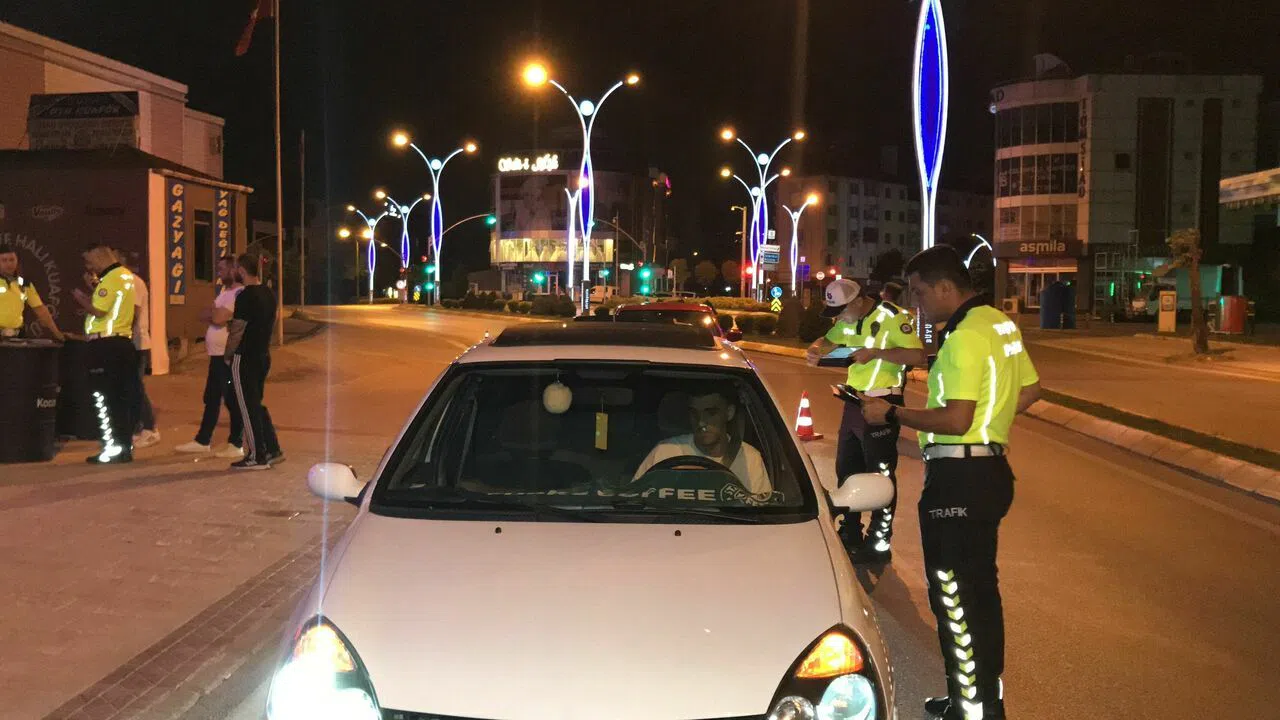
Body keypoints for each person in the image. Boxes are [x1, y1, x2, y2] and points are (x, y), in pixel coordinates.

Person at [861, 246, 1041, 720]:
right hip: (989, 471)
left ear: (944, 286)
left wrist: (892, 414)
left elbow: (956, 419)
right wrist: (991, 426)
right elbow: (1031, 389)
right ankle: (981, 697)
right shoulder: (999, 324)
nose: (916, 304)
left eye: (919, 292)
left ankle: (971, 706)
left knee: (954, 594)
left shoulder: (963, 337)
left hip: (959, 477)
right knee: (980, 593)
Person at [805, 278, 925, 564]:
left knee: (880, 476)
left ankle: (878, 541)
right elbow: (828, 340)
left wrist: (877, 353)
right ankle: (850, 533)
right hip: (853, 402)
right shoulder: (847, 319)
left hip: (883, 402)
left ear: (859, 301)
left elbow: (918, 355)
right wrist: (816, 348)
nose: (839, 318)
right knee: (848, 471)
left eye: (842, 311)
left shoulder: (893, 317)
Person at [71, 243, 139, 464]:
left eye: (89, 261)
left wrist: (80, 297)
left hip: (106, 345)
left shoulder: (111, 279)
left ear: (100, 258)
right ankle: (123, 446)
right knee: (120, 398)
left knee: (104, 398)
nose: (89, 267)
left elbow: (99, 310)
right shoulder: (125, 276)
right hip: (121, 343)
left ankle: (112, 448)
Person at [633, 388, 770, 494]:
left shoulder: (749, 458)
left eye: (711, 413)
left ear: (729, 413)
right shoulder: (665, 452)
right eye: (694, 414)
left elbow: (761, 512)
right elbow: (634, 499)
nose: (701, 422)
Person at [176, 255, 244, 458]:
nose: (218, 273)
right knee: (212, 398)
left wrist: (215, 314)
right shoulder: (224, 292)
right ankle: (203, 440)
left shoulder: (238, 294)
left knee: (231, 399)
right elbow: (203, 314)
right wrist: (215, 314)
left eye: (222, 269)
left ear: (233, 270)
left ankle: (236, 443)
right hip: (216, 355)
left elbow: (217, 317)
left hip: (227, 355)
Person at [225, 253, 282, 470]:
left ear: (241, 270)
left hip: (245, 357)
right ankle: (272, 448)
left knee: (247, 406)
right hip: (263, 355)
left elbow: (237, 330)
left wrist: (228, 354)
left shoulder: (245, 296)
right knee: (255, 403)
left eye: (236, 269)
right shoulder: (268, 294)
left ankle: (256, 455)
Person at [122, 252, 160, 449]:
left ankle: (150, 428)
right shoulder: (122, 282)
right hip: (129, 342)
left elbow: (133, 313)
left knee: (136, 387)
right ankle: (137, 427)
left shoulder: (133, 282)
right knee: (130, 387)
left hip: (137, 343)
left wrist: (123, 336)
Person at [0, 243, 66, 341]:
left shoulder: (24, 284)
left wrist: (57, 333)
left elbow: (40, 309)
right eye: (4, 260)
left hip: (16, 337)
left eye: (12, 260)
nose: (9, 264)